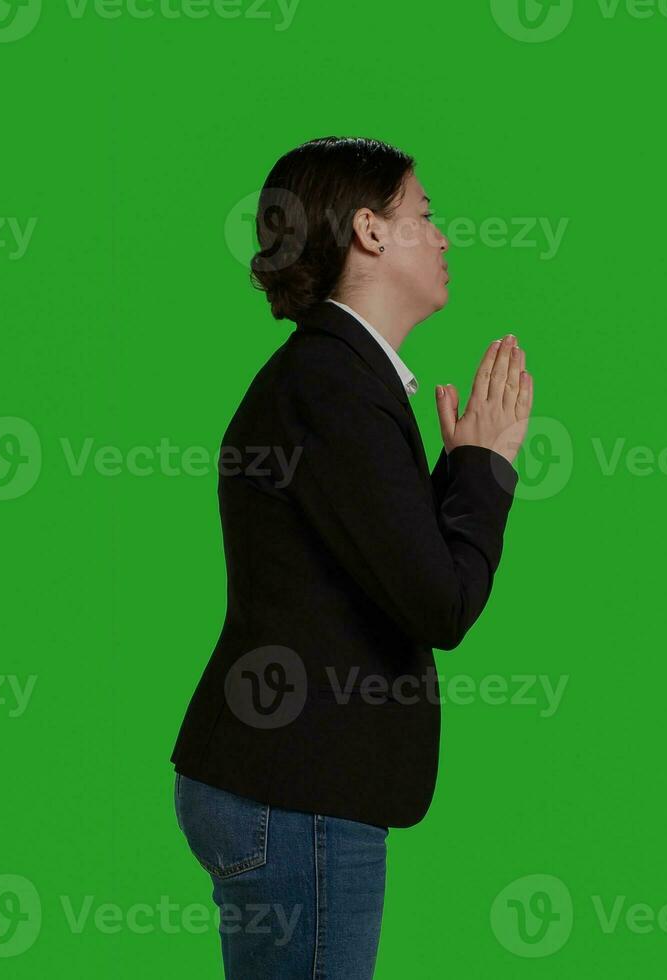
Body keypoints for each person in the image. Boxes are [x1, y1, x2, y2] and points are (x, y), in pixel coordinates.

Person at [171, 136, 533, 978]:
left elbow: (376, 565)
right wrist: (485, 469)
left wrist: (457, 474)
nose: (443, 237)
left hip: (287, 787)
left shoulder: (338, 376)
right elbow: (440, 606)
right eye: (426, 214)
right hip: (297, 795)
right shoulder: (334, 385)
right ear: (369, 231)